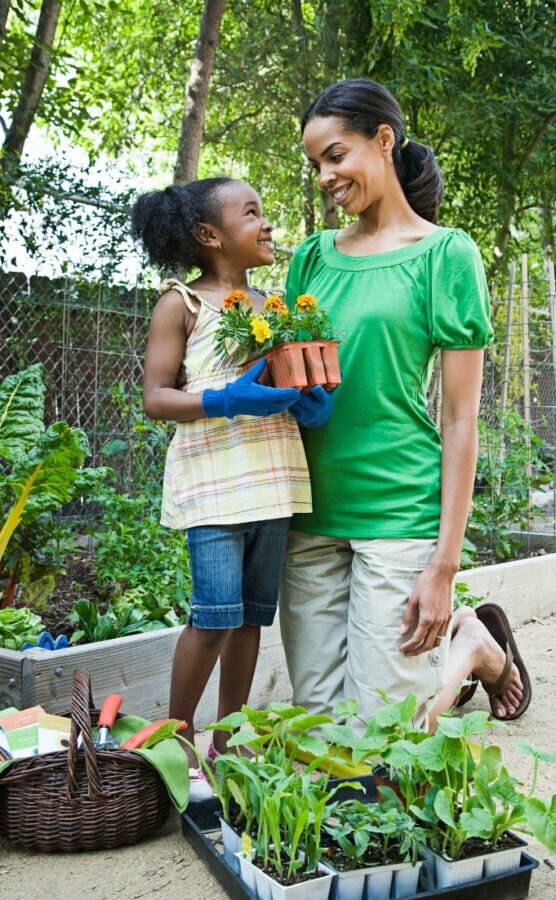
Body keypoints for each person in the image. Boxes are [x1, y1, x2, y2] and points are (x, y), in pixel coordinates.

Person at [279, 78, 530, 732]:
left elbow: (459, 418)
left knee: (382, 732)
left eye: (336, 156)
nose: (325, 177)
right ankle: (470, 648)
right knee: (317, 725)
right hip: (309, 515)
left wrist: (445, 565)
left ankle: (471, 644)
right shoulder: (311, 259)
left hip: (398, 510)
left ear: (383, 140)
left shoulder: (445, 254)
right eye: (315, 166)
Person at [132, 177, 333, 799]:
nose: (266, 223)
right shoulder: (181, 304)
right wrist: (224, 398)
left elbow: (292, 378)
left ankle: (229, 738)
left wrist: (308, 401)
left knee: (249, 620)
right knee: (213, 616)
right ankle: (179, 735)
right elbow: (156, 398)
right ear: (210, 235)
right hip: (215, 485)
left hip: (273, 479)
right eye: (252, 213)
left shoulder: (275, 307)